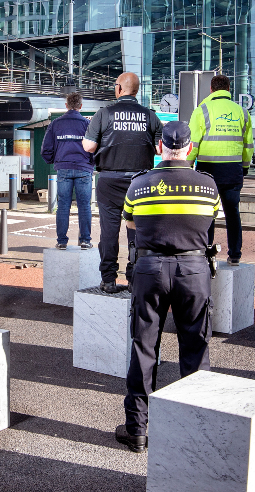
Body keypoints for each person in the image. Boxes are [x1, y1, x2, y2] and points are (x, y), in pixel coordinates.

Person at [114, 121, 220, 453]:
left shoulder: (139, 185)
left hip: (149, 269)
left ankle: (138, 431)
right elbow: (212, 221)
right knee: (195, 348)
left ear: (160, 148)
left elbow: (130, 223)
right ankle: (191, 427)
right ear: (189, 149)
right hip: (193, 270)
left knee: (144, 348)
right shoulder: (208, 186)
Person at [82, 72, 162, 293]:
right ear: (137, 90)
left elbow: (88, 147)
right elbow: (160, 149)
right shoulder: (149, 116)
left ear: (119, 88)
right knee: (136, 230)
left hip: (109, 180)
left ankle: (108, 280)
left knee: (109, 231)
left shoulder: (104, 114)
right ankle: (134, 277)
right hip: (140, 181)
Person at [187, 74, 253, 265]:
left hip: (207, 171)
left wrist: (188, 165)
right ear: (228, 89)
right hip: (233, 170)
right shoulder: (242, 112)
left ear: (211, 89)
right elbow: (248, 145)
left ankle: (206, 253)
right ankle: (235, 255)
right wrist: (245, 167)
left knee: (207, 212)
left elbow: (193, 144)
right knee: (232, 212)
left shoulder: (201, 110)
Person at [41, 92, 93, 250]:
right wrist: (91, 163)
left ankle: (62, 241)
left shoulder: (56, 124)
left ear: (66, 105)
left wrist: (55, 161)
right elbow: (95, 148)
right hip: (84, 168)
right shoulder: (87, 124)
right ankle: (85, 240)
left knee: (63, 206)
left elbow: (46, 149)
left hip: (63, 168)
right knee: (85, 206)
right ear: (81, 106)